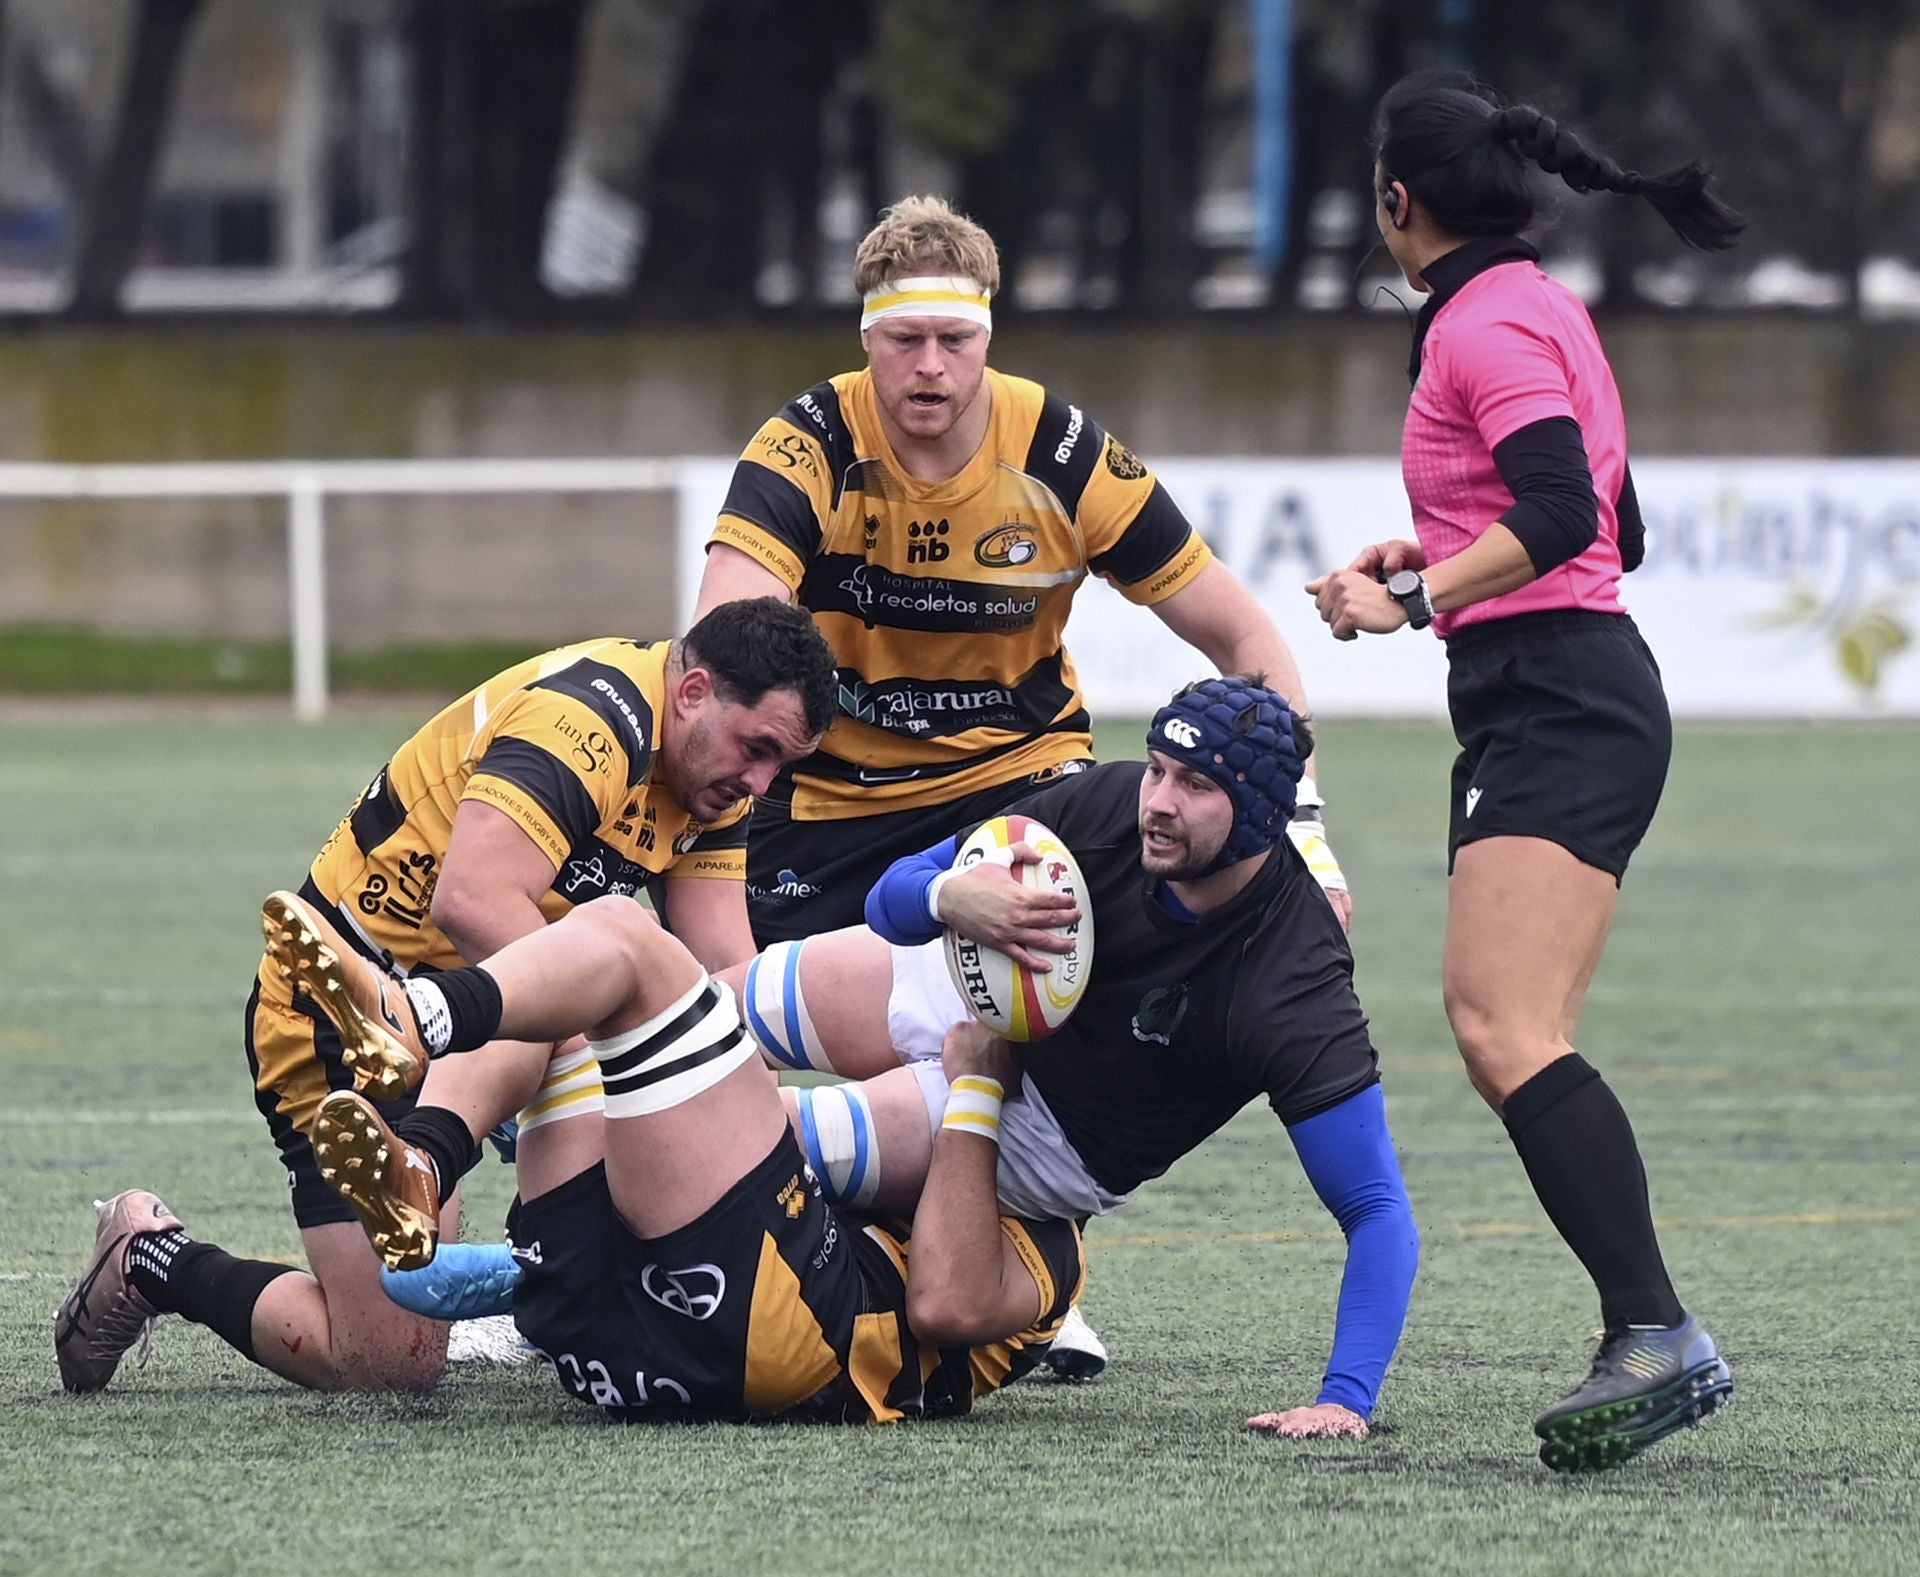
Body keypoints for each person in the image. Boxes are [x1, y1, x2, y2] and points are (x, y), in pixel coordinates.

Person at [53, 598, 839, 1395]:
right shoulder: (585, 723)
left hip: (471, 1014)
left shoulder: (715, 781)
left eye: (782, 765)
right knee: (385, 1366)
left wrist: (761, 1146)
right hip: (337, 1010)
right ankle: (152, 1260)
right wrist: (607, 1037)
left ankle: (453, 1187)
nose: (761, 783)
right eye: (759, 749)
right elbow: (473, 899)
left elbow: (725, 974)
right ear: (694, 690)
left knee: (620, 1059)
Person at [1304, 69, 1743, 1472]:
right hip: (1556, 686)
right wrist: (1433, 555)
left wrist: (1418, 599)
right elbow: (1616, 520)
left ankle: (1657, 1329)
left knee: (1501, 1027)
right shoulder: (1541, 308)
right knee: (1510, 1033)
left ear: (1397, 203)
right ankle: (1647, 1328)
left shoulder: (1480, 326)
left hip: (1556, 695)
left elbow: (1563, 515)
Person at [722, 675, 1420, 1438]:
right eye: (1157, 766)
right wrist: (949, 896)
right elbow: (894, 895)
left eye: (1193, 784)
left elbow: (1376, 1207)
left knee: (774, 1139)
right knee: (715, 1012)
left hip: (1052, 1130)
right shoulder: (1111, 806)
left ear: (1258, 813)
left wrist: (1345, 1398)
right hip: (985, 970)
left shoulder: (1292, 980)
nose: (1158, 799)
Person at [693, 194, 1349, 945]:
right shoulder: (808, 446)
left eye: (956, 338)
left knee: (1117, 968)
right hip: (830, 799)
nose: (931, 364)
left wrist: (1305, 828)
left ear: (988, 336)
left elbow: (1247, 641)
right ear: (867, 337)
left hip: (1021, 780)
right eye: (905, 338)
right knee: (748, 1015)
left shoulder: (1063, 454)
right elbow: (725, 646)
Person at [303, 888, 1081, 1423]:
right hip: (623, 1341)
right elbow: (795, 1136)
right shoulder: (979, 1139)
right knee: (575, 980)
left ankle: (416, 1015)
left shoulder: (1053, 1250)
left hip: (767, 1335)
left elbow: (945, 1302)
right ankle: (426, 1164)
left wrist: (975, 1093)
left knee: (622, 941)